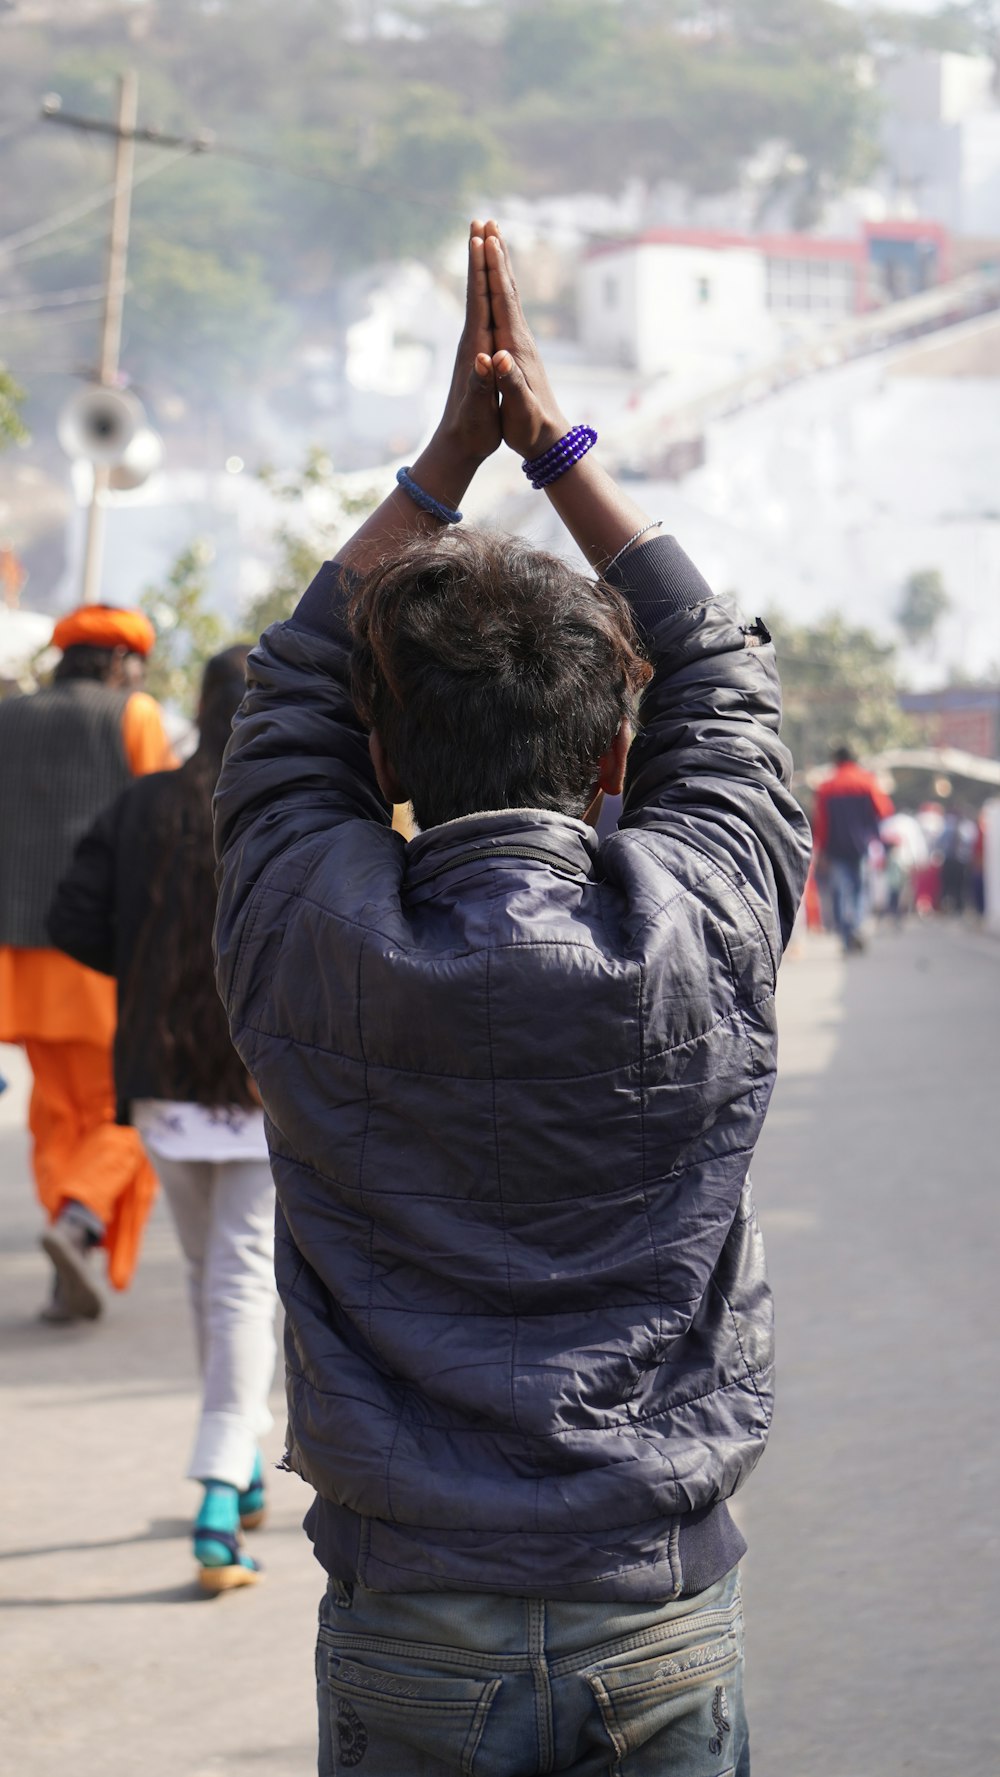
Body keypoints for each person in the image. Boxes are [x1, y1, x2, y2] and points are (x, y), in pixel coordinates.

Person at [214, 221, 812, 1773]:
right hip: (658, 1609)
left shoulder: (307, 929)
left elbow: (283, 690)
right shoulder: (704, 926)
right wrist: (555, 447)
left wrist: (444, 464)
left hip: (412, 1616)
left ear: (386, 762)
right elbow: (725, 681)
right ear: (616, 760)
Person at [49, 649, 277, 1591]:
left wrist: (144, 976)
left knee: (213, 1278)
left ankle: (244, 1459)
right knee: (241, 1282)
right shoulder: (292, 810)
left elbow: (71, 919)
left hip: (162, 1089)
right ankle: (221, 1495)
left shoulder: (142, 806)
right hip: (264, 1085)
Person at [0, 604, 175, 1322]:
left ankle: (64, 1261)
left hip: (18, 959)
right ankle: (80, 1219)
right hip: (103, 958)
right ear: (117, 663)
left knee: (56, 1110)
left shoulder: (7, 717)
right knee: (135, 1103)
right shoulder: (134, 716)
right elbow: (162, 826)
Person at [812, 744, 893, 954]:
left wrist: (820, 851)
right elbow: (884, 810)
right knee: (859, 890)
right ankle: (857, 926)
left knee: (840, 891)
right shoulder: (867, 781)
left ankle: (846, 934)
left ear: (836, 761)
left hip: (835, 848)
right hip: (861, 846)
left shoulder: (827, 787)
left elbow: (821, 822)